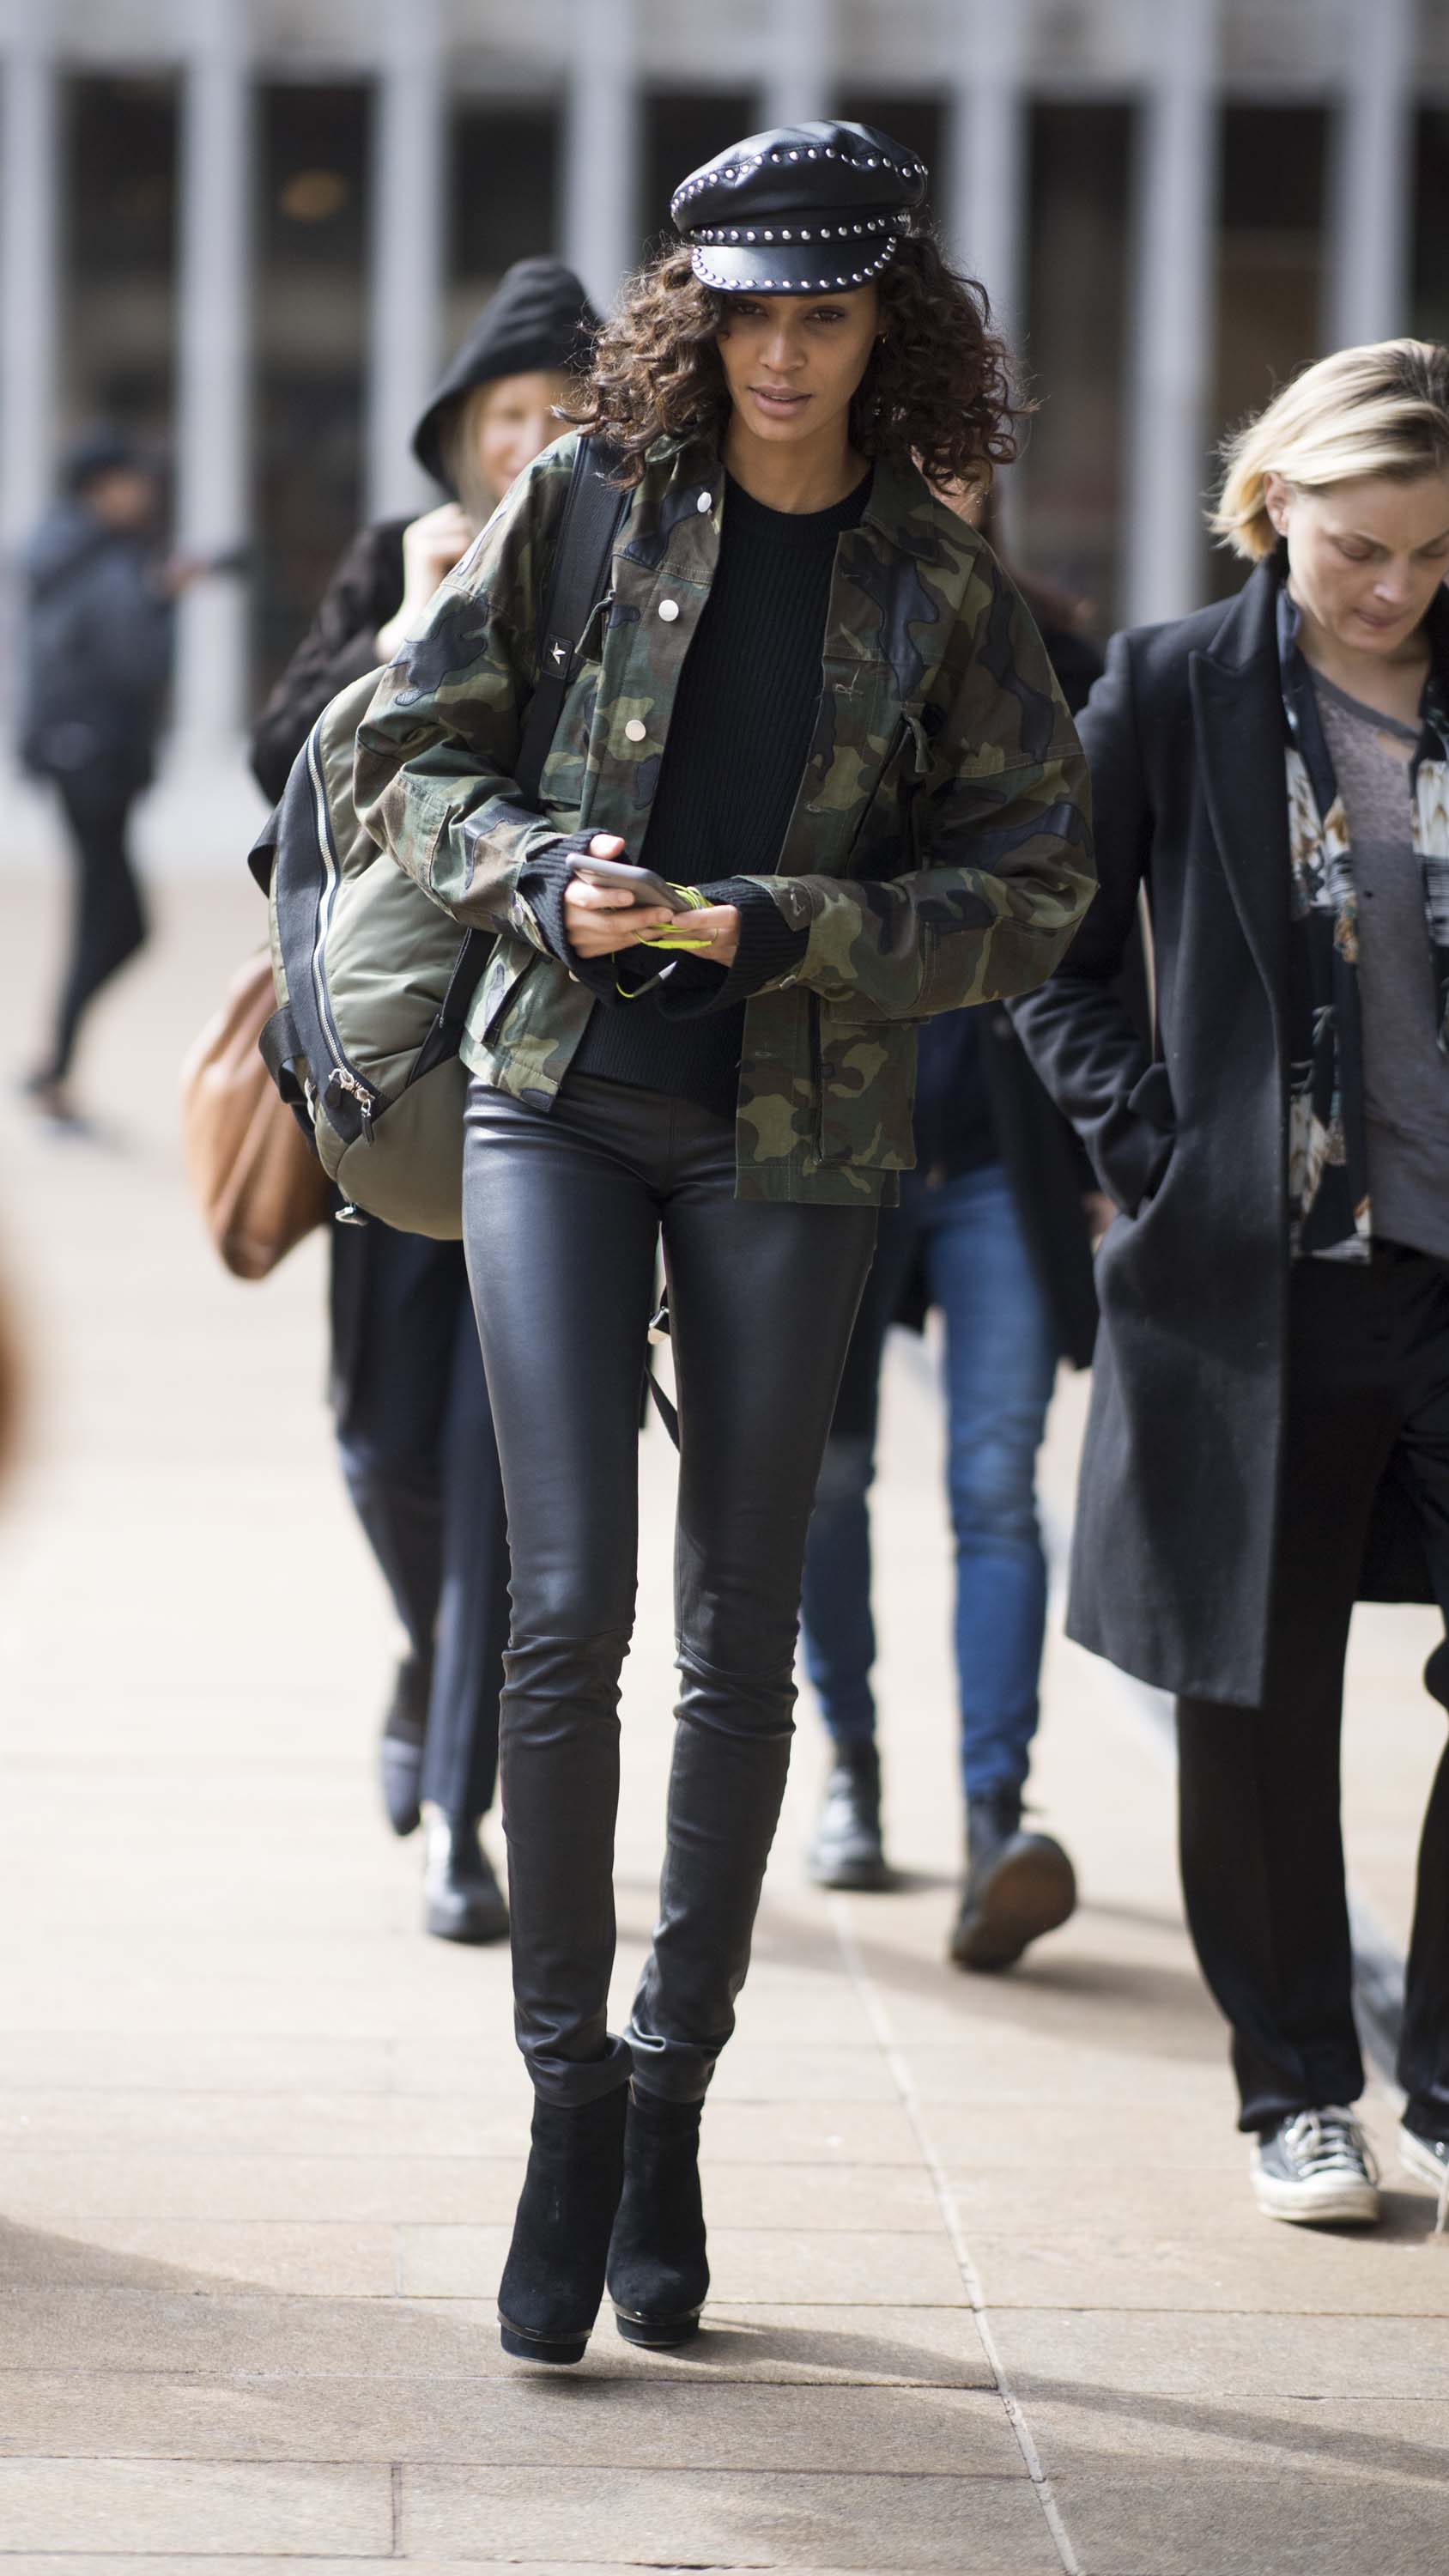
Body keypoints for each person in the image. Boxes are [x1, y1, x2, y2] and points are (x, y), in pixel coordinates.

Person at [355, 118, 1094, 2365]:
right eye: (752, 311)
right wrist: (532, 869)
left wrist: (801, 926)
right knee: (568, 1611)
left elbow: (1034, 894)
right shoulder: (581, 502)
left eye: (829, 312)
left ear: (897, 327)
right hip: (554, 1102)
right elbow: (414, 751)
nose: (786, 353)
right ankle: (568, 2101)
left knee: (739, 1628)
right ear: (703, 314)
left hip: (801, 1133)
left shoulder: (945, 589)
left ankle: (679, 2083)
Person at [1011, 340, 1449, 2233]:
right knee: (1252, 1691)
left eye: (1435, 554)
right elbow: (1051, 954)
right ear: (1275, 509)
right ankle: (1292, 2087)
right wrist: (1151, 1147)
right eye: (1364, 548)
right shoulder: (1173, 690)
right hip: (1262, 1278)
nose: (1401, 588)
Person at [249, 260, 599, 1944]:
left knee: (499, 1467)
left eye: (565, 418)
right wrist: (403, 637)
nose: (534, 444)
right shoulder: (399, 562)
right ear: (463, 438)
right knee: (386, 1442)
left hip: (552, 1080)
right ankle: (424, 1656)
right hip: (386, 1088)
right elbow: (280, 785)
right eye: (507, 421)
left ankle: (464, 1820)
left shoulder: (634, 577)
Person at [800, 491, 1106, 1972]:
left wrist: (1116, 1133)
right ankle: (848, 1769)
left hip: (1000, 1153)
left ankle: (998, 1813)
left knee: (994, 1479)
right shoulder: (781, 634)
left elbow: (1105, 918)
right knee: (824, 1479)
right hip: (832, 1144)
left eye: (965, 467)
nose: (938, 491)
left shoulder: (1061, 661)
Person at [19, 433, 189, 1127]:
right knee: (114, 923)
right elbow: (133, 662)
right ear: (102, 487)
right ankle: (51, 1070)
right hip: (95, 763)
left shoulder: (65, 554)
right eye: (132, 479)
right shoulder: (107, 562)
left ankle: (53, 1071)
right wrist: (161, 596)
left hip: (74, 759)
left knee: (106, 919)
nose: (144, 493)